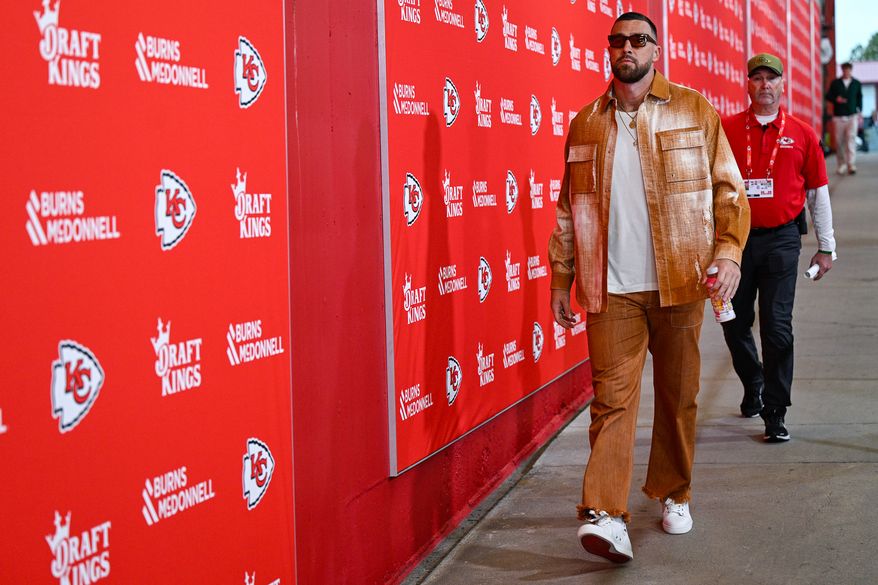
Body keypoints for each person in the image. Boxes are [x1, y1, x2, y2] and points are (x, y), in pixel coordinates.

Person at [548, 12, 750, 563]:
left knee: (677, 398)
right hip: (609, 289)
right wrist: (561, 278)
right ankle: (606, 515)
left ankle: (674, 491)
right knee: (611, 404)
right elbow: (569, 211)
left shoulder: (693, 110)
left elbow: (730, 193)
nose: (627, 48)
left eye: (639, 40)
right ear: (609, 51)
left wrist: (728, 253)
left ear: (656, 50)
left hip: (681, 282)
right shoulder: (586, 122)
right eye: (618, 40)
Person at [721, 53, 836, 441]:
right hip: (735, 243)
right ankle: (753, 379)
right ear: (748, 84)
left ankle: (775, 409)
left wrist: (827, 246)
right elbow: (708, 186)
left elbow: (818, 193)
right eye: (757, 78)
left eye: (772, 78)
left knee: (777, 325)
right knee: (734, 320)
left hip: (783, 239)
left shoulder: (802, 133)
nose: (765, 85)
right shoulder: (726, 130)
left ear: (782, 85)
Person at [825, 62, 863, 174]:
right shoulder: (836, 83)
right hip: (839, 116)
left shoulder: (856, 83)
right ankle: (841, 164)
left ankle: (851, 164)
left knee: (851, 139)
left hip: (852, 115)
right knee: (839, 141)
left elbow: (860, 97)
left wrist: (859, 109)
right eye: (845, 70)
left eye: (848, 70)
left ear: (851, 71)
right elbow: (828, 96)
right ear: (842, 71)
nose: (847, 72)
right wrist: (836, 99)